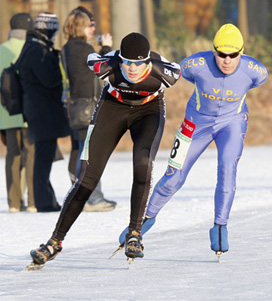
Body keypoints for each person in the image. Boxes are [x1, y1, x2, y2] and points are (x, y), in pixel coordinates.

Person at [28, 32, 181, 267]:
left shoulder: (165, 73)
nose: (131, 69)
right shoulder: (106, 65)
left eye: (138, 63)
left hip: (148, 111)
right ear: (120, 59)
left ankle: (134, 234)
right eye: (127, 62)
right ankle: (54, 242)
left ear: (148, 61)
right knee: (86, 180)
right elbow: (91, 57)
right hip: (112, 107)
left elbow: (181, 68)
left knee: (143, 166)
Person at [123, 24, 268, 256]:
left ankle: (220, 225)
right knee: (173, 176)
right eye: (221, 54)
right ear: (213, 52)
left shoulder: (256, 71)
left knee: (228, 169)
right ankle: (141, 224)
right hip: (196, 123)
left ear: (242, 53)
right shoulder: (195, 65)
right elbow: (167, 72)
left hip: (232, 123)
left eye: (233, 55)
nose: (227, 60)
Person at [62, 6, 116, 212]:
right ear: (80, 28)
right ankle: (93, 198)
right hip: (87, 107)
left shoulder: (67, 48)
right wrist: (105, 47)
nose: (92, 29)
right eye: (88, 26)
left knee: (81, 153)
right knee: (91, 155)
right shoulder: (84, 50)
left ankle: (81, 197)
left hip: (75, 107)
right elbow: (104, 67)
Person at [19, 12, 70, 213]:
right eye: (54, 32)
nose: (56, 36)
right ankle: (43, 201)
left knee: (44, 156)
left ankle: (46, 198)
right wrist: (54, 59)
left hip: (38, 110)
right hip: (42, 112)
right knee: (43, 157)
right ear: (48, 30)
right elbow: (50, 79)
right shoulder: (37, 51)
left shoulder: (33, 47)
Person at [0, 13, 36, 213]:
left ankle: (14, 202)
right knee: (31, 154)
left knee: (12, 155)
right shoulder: (30, 49)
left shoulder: (1, 50)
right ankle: (32, 200)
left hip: (7, 114)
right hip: (29, 112)